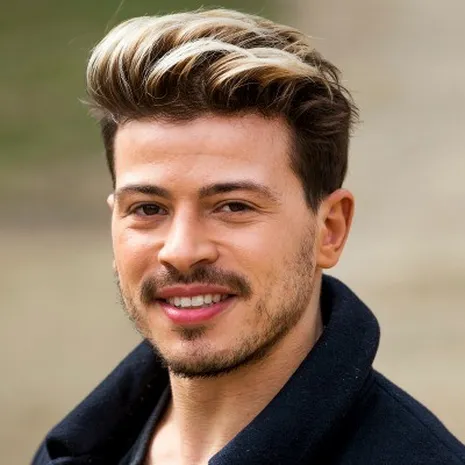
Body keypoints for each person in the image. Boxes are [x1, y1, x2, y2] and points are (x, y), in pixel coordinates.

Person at [32, 8, 465, 465]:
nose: (182, 251)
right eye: (148, 209)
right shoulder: (79, 450)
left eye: (233, 206)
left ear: (330, 230)